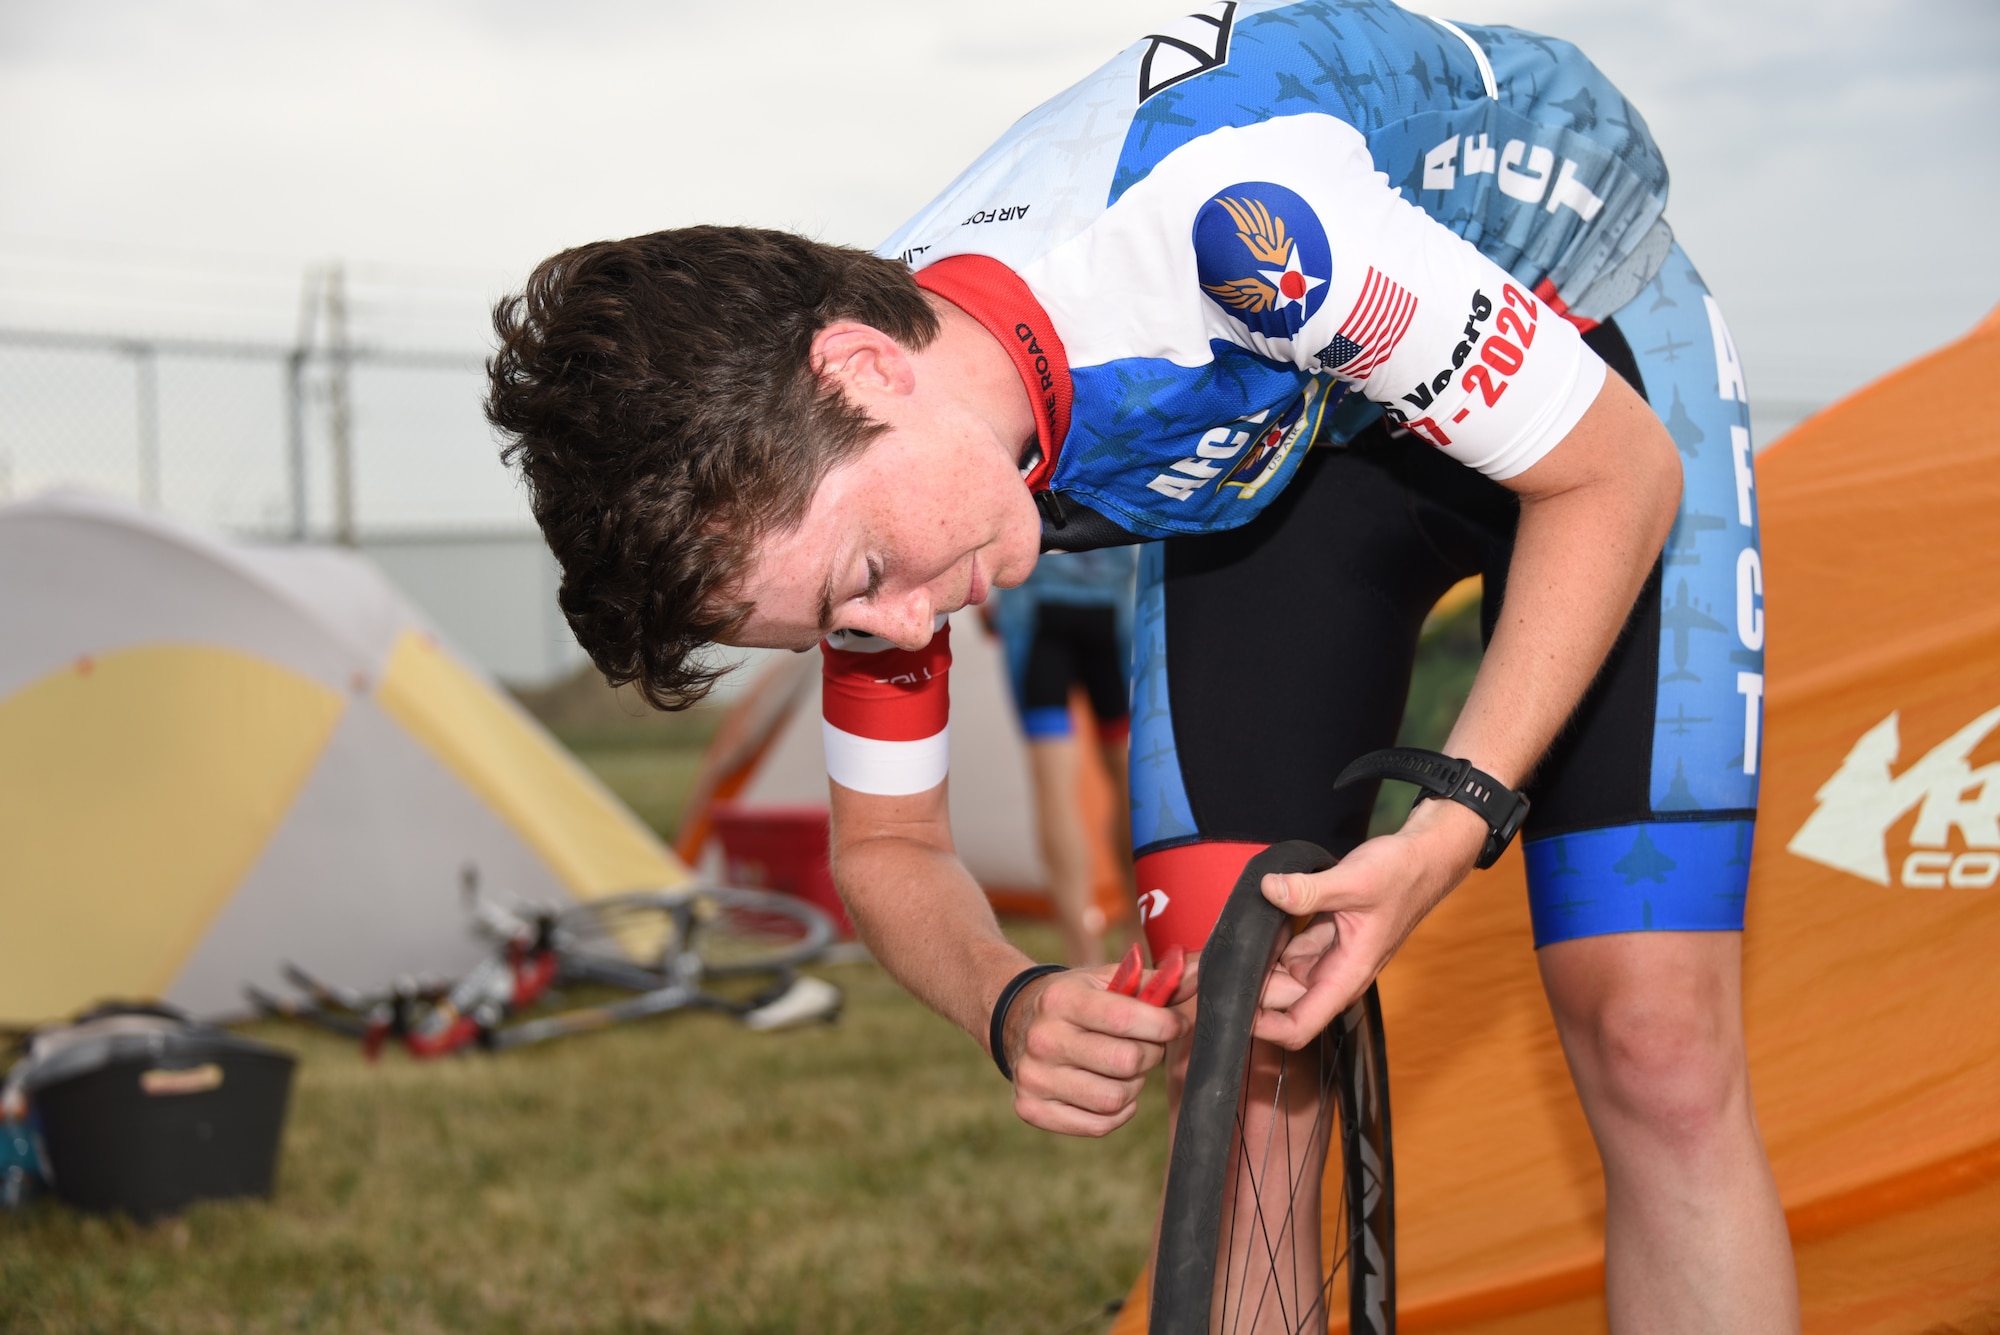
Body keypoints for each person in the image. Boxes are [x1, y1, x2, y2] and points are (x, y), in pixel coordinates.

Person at [485, 3, 1797, 1328]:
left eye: (865, 581)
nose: (892, 633)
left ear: (865, 364)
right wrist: (1007, 999)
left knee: (1654, 1037)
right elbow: (886, 846)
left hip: (1578, 350)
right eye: (835, 627)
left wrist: (1452, 820)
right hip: (1289, 450)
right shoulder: (847, 463)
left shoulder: (1222, 225)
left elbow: (1617, 474)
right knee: (1243, 1070)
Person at [987, 547, 1139, 967]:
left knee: (1057, 787)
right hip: (1109, 608)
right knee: (1129, 779)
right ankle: (1138, 932)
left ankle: (1085, 956)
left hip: (1041, 613)